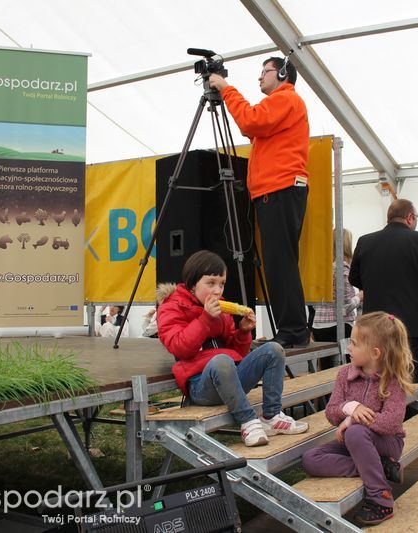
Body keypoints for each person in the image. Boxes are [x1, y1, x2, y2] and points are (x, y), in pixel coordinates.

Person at [157, 250, 308, 447]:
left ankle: (271, 416)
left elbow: (237, 354)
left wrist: (243, 332)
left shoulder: (221, 310)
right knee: (221, 360)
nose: (218, 290)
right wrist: (205, 319)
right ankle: (247, 422)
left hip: (231, 378)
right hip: (200, 386)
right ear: (193, 284)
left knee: (273, 349)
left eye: (221, 284)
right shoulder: (172, 307)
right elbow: (179, 347)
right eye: (211, 283)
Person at [208, 57, 310, 348]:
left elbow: (249, 120)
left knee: (281, 263)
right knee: (279, 262)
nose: (259, 78)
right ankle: (291, 329)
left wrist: (226, 89)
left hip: (280, 188)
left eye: (264, 71)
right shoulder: (284, 103)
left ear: (281, 73)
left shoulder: (285, 99)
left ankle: (292, 330)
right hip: (276, 189)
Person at [301, 312, 416, 525]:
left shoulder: (392, 380)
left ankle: (380, 498)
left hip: (387, 444)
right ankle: (377, 466)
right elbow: (331, 412)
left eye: (354, 344)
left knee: (355, 432)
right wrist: (349, 407)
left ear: (375, 353)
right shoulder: (345, 374)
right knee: (310, 459)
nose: (348, 348)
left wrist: (354, 421)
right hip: (354, 445)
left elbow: (391, 424)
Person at [349, 199, 418, 383]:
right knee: (412, 384)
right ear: (410, 218)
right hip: (412, 326)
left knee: (378, 381)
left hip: (375, 328)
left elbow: (354, 279)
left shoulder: (365, 241)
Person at [311, 228, 362, 347]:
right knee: (346, 365)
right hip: (338, 326)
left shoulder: (321, 269)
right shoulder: (342, 268)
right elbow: (345, 307)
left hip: (318, 326)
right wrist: (359, 297)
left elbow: (314, 303)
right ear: (347, 245)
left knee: (326, 365)